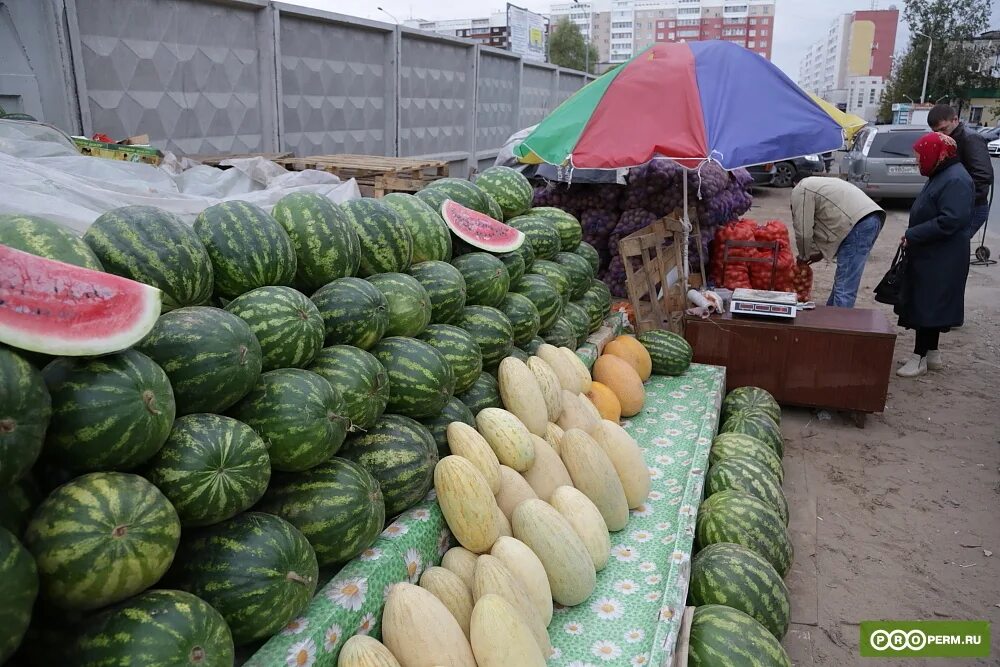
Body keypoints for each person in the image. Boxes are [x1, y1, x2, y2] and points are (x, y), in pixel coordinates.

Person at [895, 132, 973, 378]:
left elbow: (950, 220)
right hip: (935, 252)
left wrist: (914, 233)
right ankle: (932, 353)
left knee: (927, 304)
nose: (918, 162)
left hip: (941, 256)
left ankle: (919, 357)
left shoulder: (955, 179)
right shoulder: (942, 173)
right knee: (933, 303)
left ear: (934, 154)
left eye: (920, 157)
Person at [791, 176, 886, 308]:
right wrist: (819, 253)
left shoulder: (800, 189)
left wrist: (804, 256)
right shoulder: (819, 184)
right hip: (872, 218)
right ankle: (831, 320)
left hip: (859, 224)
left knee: (844, 288)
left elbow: (803, 232)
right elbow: (831, 221)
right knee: (843, 281)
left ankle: (839, 325)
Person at [927, 104, 993, 239]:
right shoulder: (948, 138)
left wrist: (958, 199)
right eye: (936, 132)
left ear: (955, 120)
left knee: (952, 249)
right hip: (956, 206)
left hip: (971, 208)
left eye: (943, 129)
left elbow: (983, 175)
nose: (941, 134)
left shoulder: (970, 139)